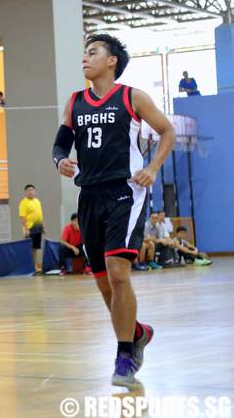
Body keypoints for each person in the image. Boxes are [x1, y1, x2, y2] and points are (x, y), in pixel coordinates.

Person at [53, 33, 175, 388]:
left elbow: (166, 131)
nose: (85, 58)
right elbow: (61, 143)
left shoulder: (132, 97)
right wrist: (60, 159)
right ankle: (136, 332)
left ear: (112, 62)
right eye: (84, 53)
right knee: (104, 281)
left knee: (117, 271)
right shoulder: (75, 102)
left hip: (126, 190)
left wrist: (152, 169)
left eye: (93, 53)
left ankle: (125, 354)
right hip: (89, 194)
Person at [19, 184, 44, 273]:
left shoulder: (37, 201)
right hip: (30, 229)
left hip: (38, 228)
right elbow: (22, 217)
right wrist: (26, 230)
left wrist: (43, 226)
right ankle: (30, 267)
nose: (30, 192)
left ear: (35, 191)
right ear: (26, 192)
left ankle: (36, 266)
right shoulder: (23, 203)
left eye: (32, 190)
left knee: (36, 249)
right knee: (30, 249)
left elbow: (39, 215)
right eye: (28, 190)